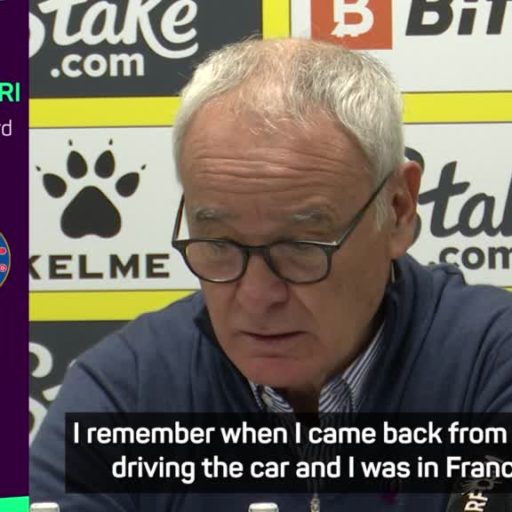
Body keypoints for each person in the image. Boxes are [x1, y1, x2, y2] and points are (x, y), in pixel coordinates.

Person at [31, 38, 512, 511]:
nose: (257, 297)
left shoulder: (491, 363)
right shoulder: (127, 388)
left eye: (301, 247)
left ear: (399, 209)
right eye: (219, 244)